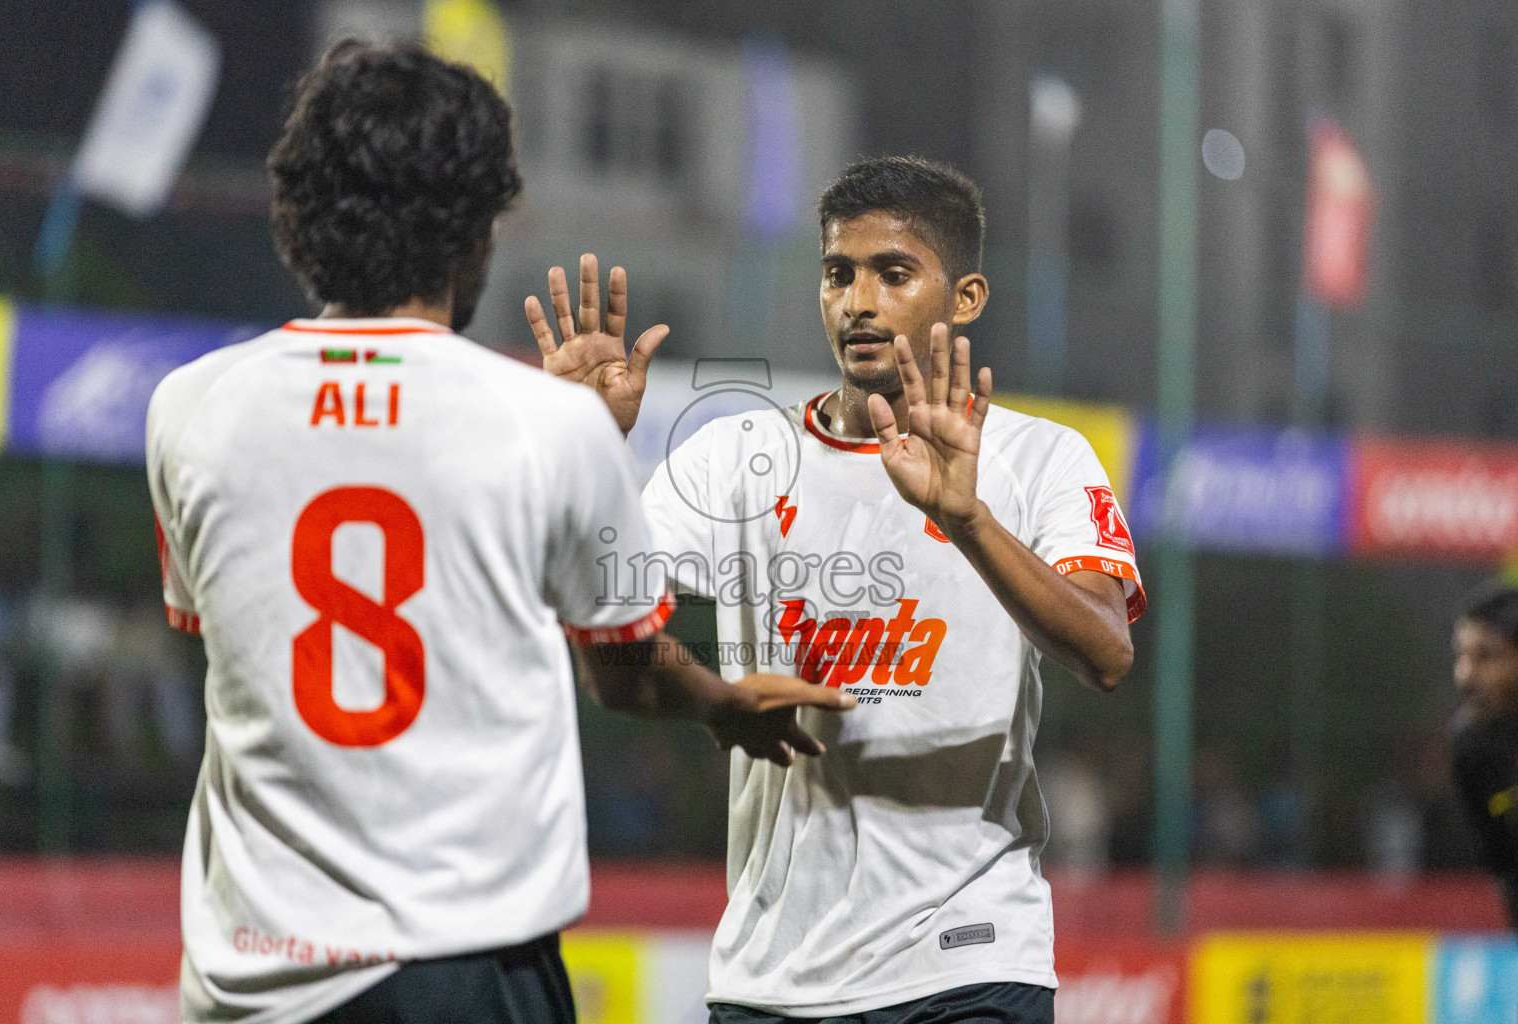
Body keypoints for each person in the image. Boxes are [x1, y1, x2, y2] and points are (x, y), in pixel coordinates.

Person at [147, 41, 851, 1024]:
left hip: (253, 977)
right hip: (463, 968)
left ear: (298, 213)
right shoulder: (549, 426)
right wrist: (724, 700)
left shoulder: (189, 407)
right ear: (475, 228)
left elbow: (232, 640)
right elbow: (633, 662)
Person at [529, 156, 1142, 1024]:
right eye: (837, 273)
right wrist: (588, 460)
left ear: (965, 298)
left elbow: (1106, 650)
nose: (858, 301)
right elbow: (617, 647)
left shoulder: (1038, 457)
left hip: (969, 961)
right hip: (775, 976)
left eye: (894, 273)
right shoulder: (730, 459)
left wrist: (969, 521)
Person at [1449, 585, 1518, 927]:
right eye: (1460, 656)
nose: (1464, 676)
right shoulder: (1472, 747)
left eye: (1486, 656)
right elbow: (1500, 861)